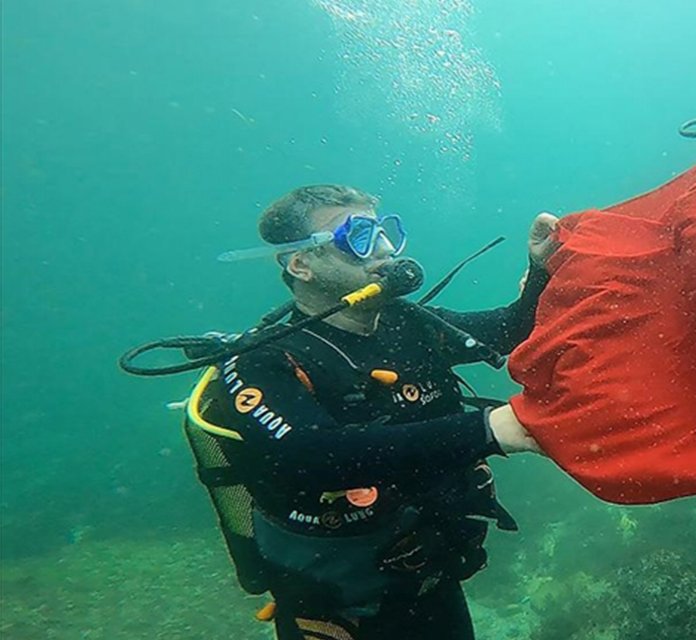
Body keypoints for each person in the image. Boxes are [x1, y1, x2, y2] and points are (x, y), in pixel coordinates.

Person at [186, 185, 551, 640]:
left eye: (383, 232)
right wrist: (489, 429)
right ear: (300, 263)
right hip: (340, 614)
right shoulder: (262, 359)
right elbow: (308, 454)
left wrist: (541, 268)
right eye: (356, 235)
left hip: (431, 578)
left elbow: (511, 329)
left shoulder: (409, 323)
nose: (380, 249)